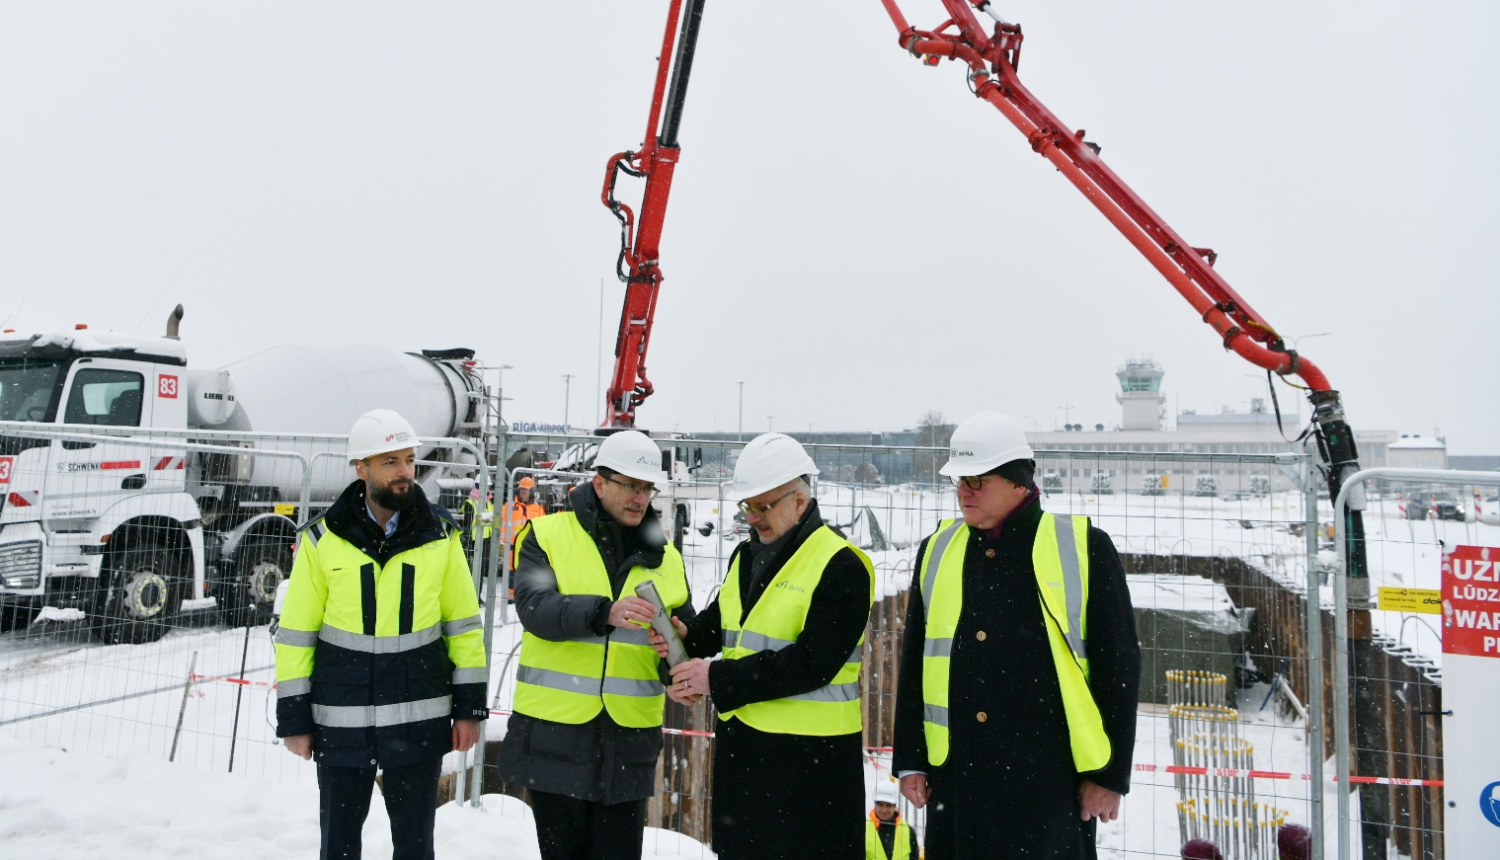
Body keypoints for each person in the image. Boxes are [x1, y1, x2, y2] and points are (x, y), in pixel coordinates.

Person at [892, 412, 1140, 860]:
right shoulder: (938, 550)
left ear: (1018, 483)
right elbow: (917, 660)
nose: (963, 491)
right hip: (956, 778)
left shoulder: (1084, 547)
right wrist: (910, 758)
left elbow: (1120, 667)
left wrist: (1110, 776)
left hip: (1049, 781)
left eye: (976, 480)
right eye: (958, 481)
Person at [274, 408, 489, 860]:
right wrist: (294, 721)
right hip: (341, 722)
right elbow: (296, 635)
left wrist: (469, 709)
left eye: (409, 459)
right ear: (361, 468)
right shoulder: (321, 540)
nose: (404, 471)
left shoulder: (441, 537)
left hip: (418, 721)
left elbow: (465, 629)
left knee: (415, 848)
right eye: (390, 461)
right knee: (338, 846)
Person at [655, 432, 874, 860]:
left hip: (814, 768)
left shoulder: (842, 565)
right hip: (747, 759)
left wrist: (715, 677)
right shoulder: (745, 557)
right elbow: (716, 628)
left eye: (762, 506)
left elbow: (814, 663)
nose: (752, 518)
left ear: (799, 498)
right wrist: (683, 643)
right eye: (747, 507)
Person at [497, 430, 693, 860]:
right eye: (629, 486)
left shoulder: (668, 558)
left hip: (628, 740)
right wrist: (603, 612)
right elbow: (534, 608)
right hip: (557, 734)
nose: (639, 498)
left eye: (646, 488)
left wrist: (678, 658)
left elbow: (682, 634)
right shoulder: (546, 535)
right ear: (599, 483)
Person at [867, 779, 920, 860]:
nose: (884, 810)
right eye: (880, 805)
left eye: (888, 805)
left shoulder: (908, 831)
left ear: (895, 806)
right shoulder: (863, 830)